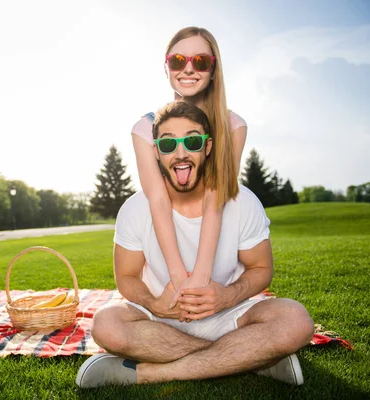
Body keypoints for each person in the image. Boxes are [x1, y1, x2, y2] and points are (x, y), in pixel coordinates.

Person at [75, 99, 314, 388]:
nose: (180, 153)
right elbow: (125, 277)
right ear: (156, 152)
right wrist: (156, 304)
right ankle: (253, 360)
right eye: (167, 144)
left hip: (228, 316)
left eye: (191, 141)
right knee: (106, 325)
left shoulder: (243, 201)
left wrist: (226, 297)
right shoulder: (135, 208)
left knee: (296, 321)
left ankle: (151, 373)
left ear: (208, 147)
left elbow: (261, 268)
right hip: (158, 321)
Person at [131, 27, 247, 305]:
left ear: (213, 69)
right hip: (166, 246)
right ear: (167, 67)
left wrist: (201, 278)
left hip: (216, 244)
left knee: (291, 320)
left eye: (201, 61)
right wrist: (180, 278)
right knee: (110, 324)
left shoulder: (233, 127)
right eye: (178, 61)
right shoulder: (145, 129)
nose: (189, 69)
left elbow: (215, 197)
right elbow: (158, 200)